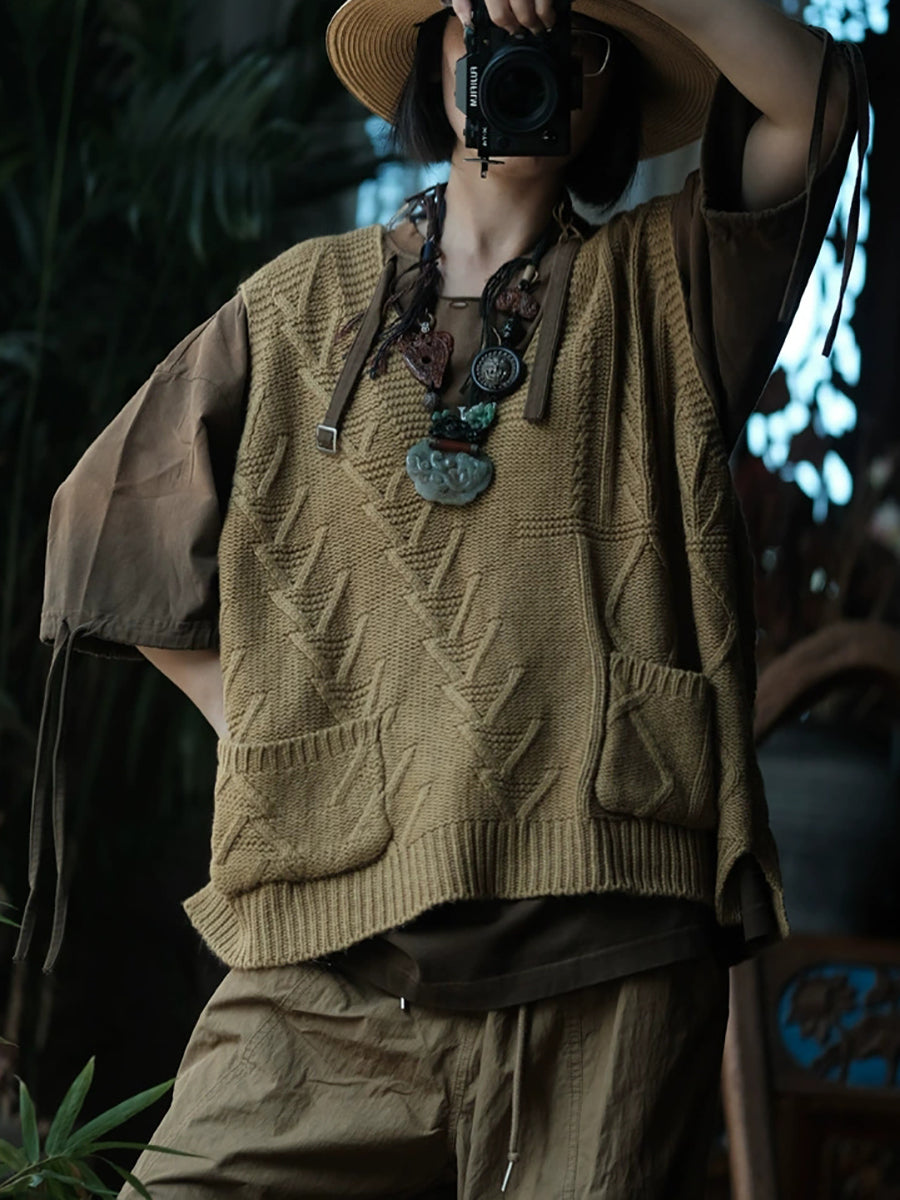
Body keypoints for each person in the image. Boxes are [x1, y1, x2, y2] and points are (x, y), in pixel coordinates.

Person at [17, 0, 867, 1195]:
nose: (521, 57)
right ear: (434, 56)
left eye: (567, 41)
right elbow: (102, 521)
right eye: (485, 25)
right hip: (325, 963)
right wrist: (261, 721)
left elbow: (815, 105)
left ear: (608, 88)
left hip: (606, 960)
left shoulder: (665, 285)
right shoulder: (299, 305)